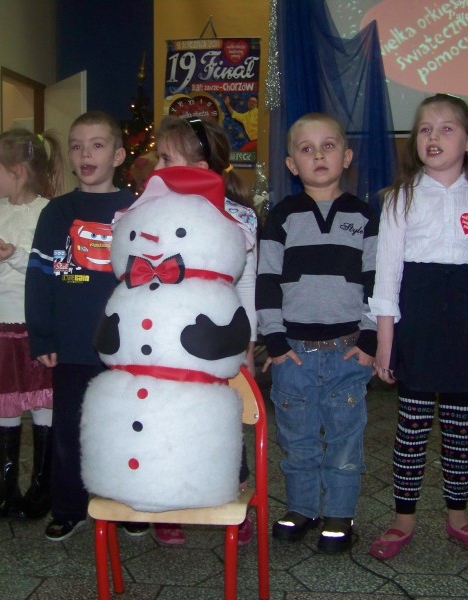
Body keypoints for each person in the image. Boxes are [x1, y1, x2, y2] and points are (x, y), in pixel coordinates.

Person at [368, 94, 468, 560]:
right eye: (425, 128)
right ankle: (403, 520)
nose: (434, 136)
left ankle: (458, 517)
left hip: (465, 313)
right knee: (413, 424)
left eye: (447, 129)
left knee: (460, 425)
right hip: (417, 312)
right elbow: (386, 271)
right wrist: (386, 336)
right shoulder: (400, 197)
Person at [256, 112, 377, 554]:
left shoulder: (364, 216)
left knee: (345, 438)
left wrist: (369, 340)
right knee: (297, 437)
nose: (318, 155)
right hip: (294, 353)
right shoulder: (282, 217)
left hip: (347, 351)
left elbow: (376, 280)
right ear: (292, 164)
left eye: (328, 146)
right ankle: (302, 508)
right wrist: (275, 341)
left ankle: (339, 515)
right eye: (306, 149)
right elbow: (266, 279)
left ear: (346, 156)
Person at [144, 114, 259, 546]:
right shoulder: (150, 213)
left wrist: (247, 342)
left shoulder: (237, 218)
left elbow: (247, 282)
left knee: (222, 420)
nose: (157, 169)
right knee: (166, 421)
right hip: (163, 340)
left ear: (201, 168)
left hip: (214, 341)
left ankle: (232, 494)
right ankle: (168, 504)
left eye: (166, 159)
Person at [25, 111, 134, 541]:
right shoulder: (57, 212)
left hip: (127, 345)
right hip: (71, 343)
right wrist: (42, 335)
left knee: (126, 424)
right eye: (76, 145)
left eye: (97, 144)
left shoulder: (136, 209)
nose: (85, 153)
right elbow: (39, 277)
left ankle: (127, 502)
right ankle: (69, 505)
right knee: (69, 427)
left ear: (119, 154)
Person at [0, 129, 63, 520]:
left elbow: (54, 266)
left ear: (18, 171)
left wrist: (15, 254)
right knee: (6, 404)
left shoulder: (47, 212)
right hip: (0, 326)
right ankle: (6, 487)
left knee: (42, 403)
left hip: (35, 325)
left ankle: (42, 486)